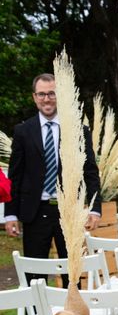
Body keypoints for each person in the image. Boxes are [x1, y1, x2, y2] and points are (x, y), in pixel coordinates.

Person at [5, 73, 101, 288]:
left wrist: (94, 208)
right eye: (42, 94)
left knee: (72, 273)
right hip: (35, 211)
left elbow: (90, 172)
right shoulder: (23, 131)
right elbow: (15, 176)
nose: (46, 99)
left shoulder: (77, 130)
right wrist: (10, 214)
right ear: (34, 97)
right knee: (34, 275)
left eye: (51, 94)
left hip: (69, 211)